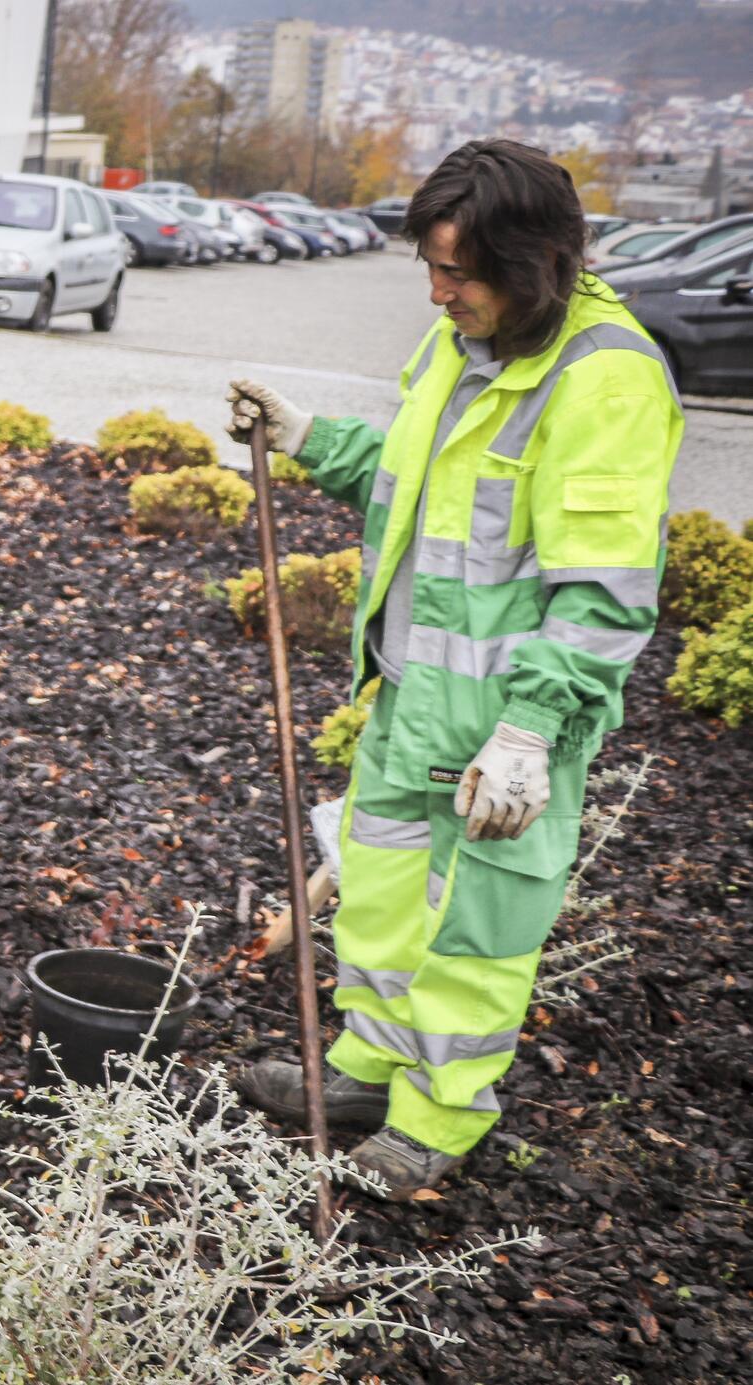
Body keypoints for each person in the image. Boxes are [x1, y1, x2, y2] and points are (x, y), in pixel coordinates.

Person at [225, 139, 683, 1199]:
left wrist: (530, 732)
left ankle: (435, 1119)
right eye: (429, 268)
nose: (438, 293)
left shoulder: (602, 377)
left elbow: (603, 591)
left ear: (537, 265)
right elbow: (409, 483)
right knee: (382, 900)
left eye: (459, 273)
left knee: (475, 930)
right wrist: (305, 438)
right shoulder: (454, 346)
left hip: (502, 728)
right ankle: (363, 1071)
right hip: (409, 698)